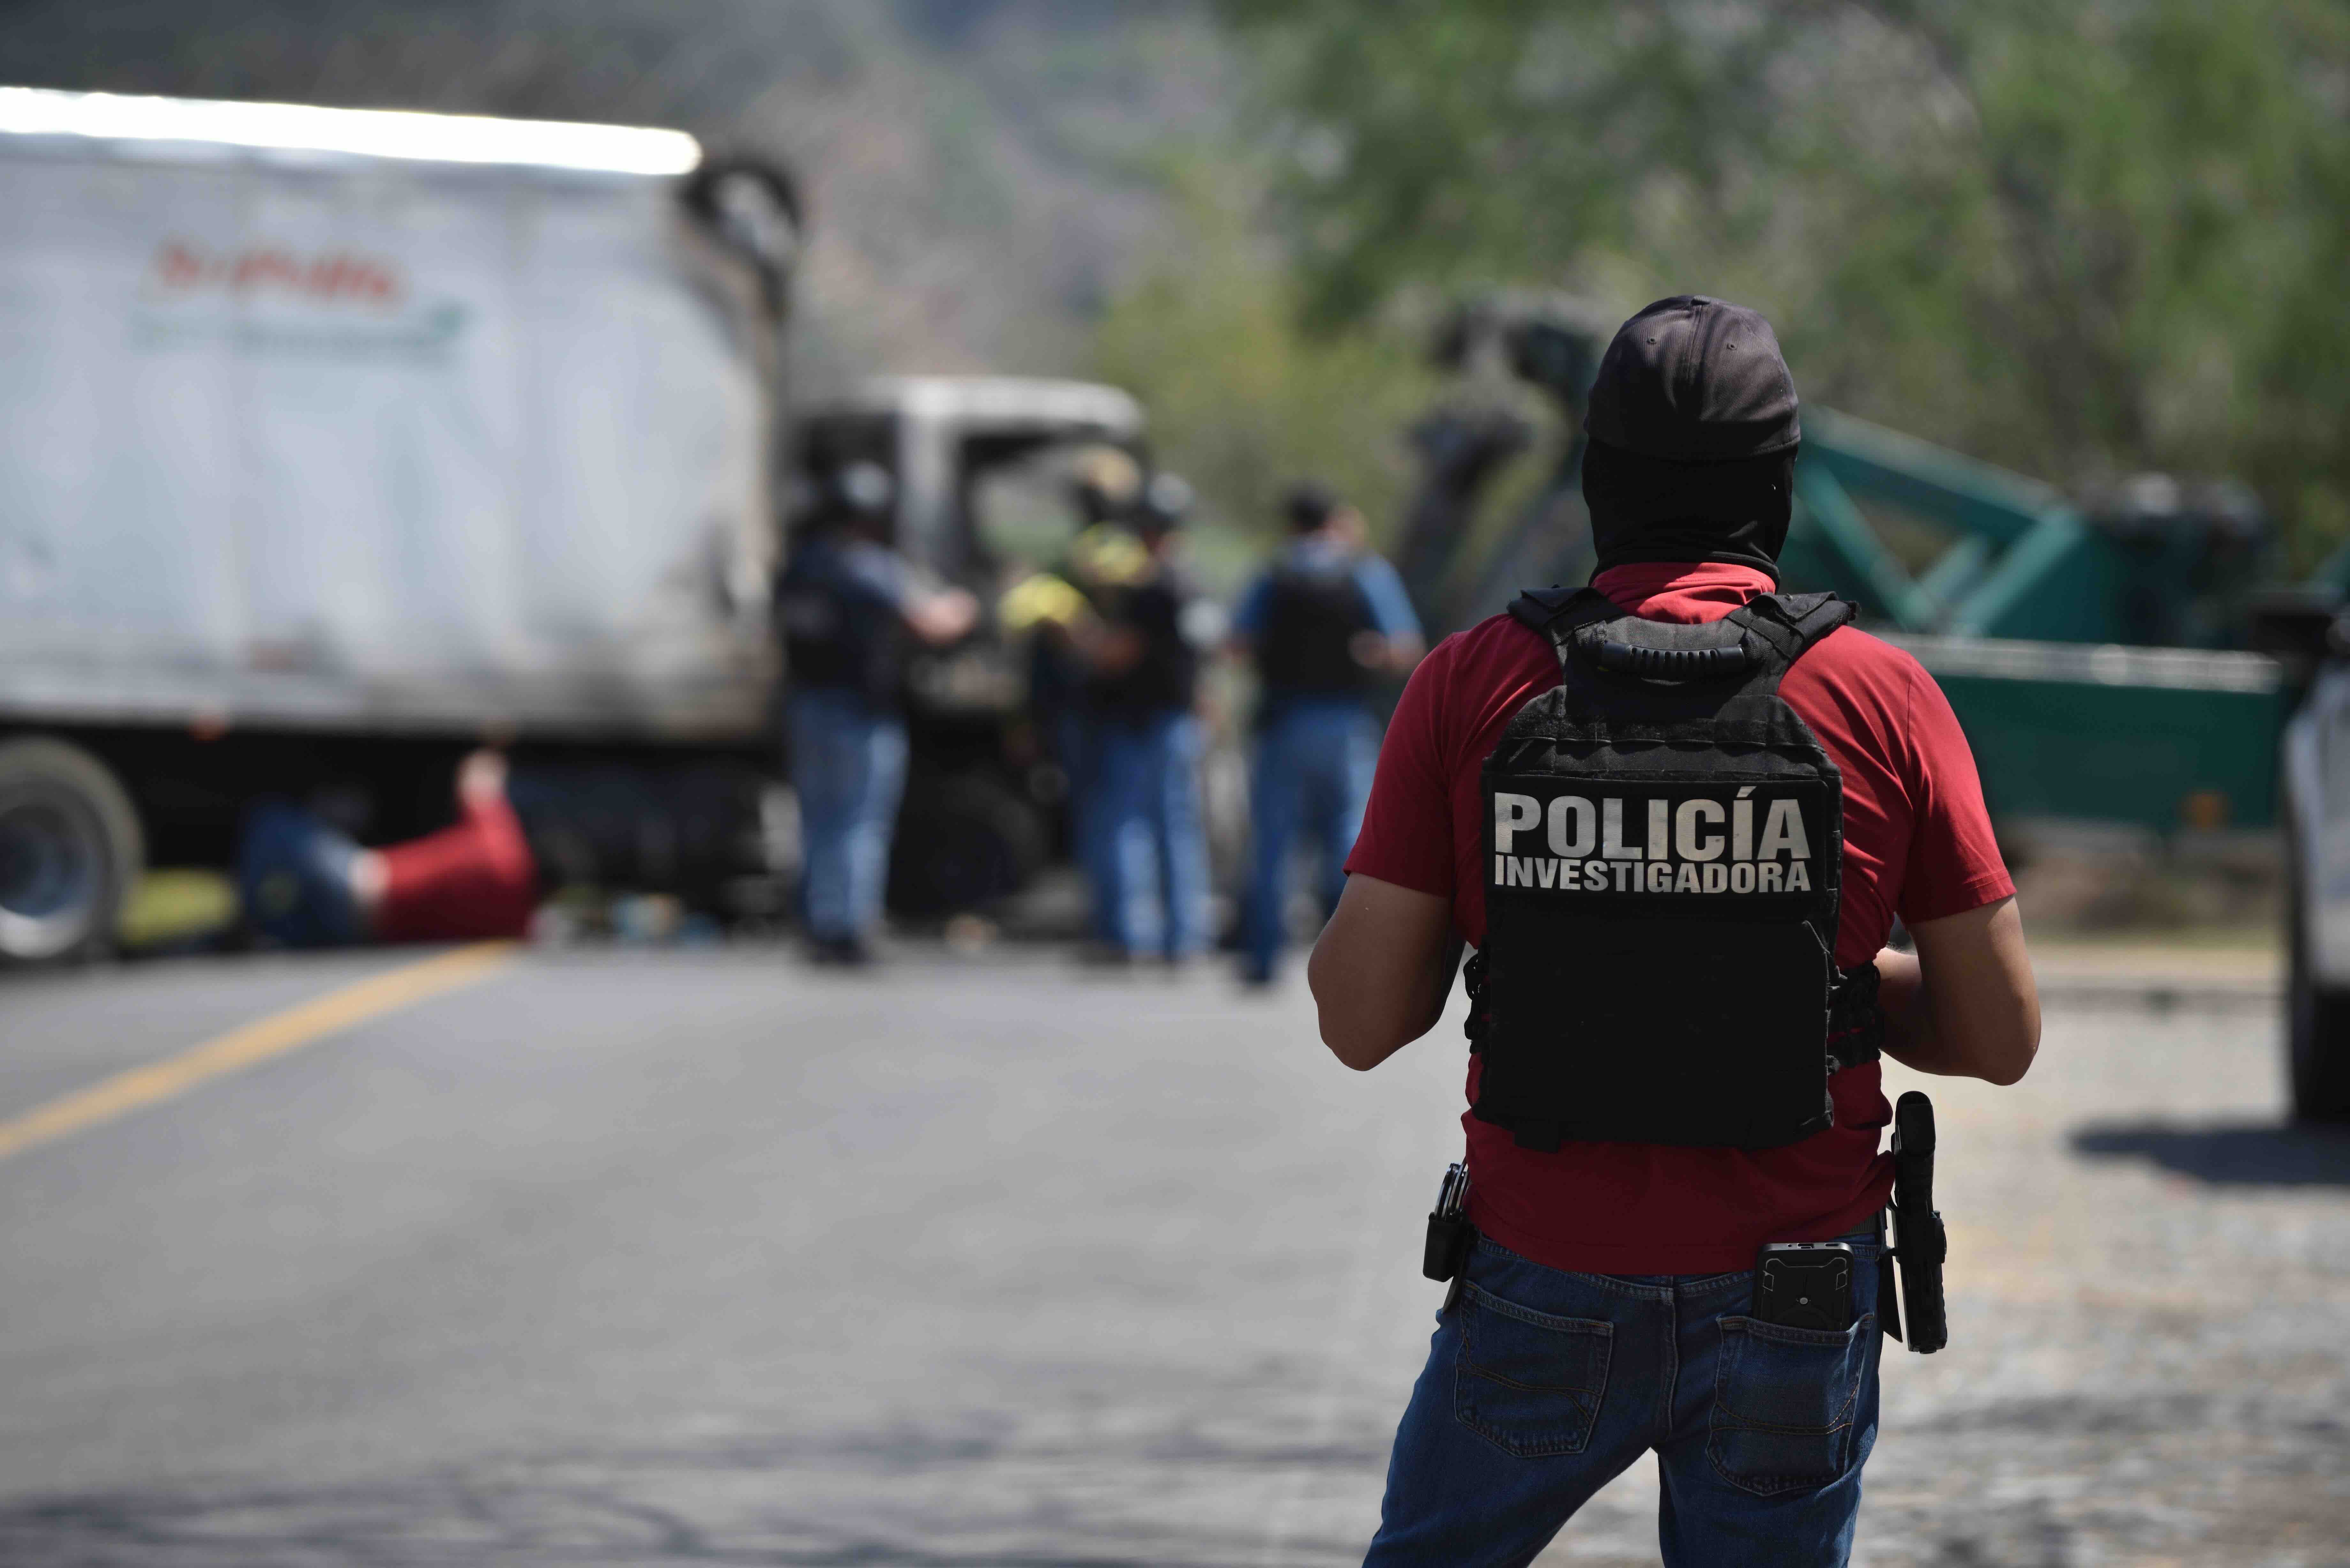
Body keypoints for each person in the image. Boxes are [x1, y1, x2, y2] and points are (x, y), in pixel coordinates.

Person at [1306, 296, 2041, 1566]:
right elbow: (1997, 1034)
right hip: (1795, 1301)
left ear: (1598, 480)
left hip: (1540, 1277)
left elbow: (1361, 1020)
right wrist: (1824, 975)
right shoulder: (1882, 695)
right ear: (1779, 487)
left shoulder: (1472, 683)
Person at [775, 461, 977, 965]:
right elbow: (933, 624)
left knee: (819, 820)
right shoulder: (865, 566)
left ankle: (821, 923)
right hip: (858, 711)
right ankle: (850, 926)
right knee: (860, 821)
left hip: (808, 706)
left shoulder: (800, 565)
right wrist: (969, 603)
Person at [1229, 481, 1424, 986]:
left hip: (1283, 720)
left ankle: (1263, 958)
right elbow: (1404, 648)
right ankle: (1348, 956)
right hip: (1345, 722)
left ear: (1292, 523)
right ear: (1334, 519)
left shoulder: (1273, 572)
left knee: (1273, 841)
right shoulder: (1364, 570)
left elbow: (1236, 645)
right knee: (1347, 838)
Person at [1075, 471, 1216, 963]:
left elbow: (1119, 655)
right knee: (1179, 829)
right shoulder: (1193, 582)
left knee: (1126, 827)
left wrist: (1076, 633)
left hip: (1141, 722)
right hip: (1177, 720)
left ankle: (1129, 934)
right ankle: (1184, 936)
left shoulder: (1149, 586)